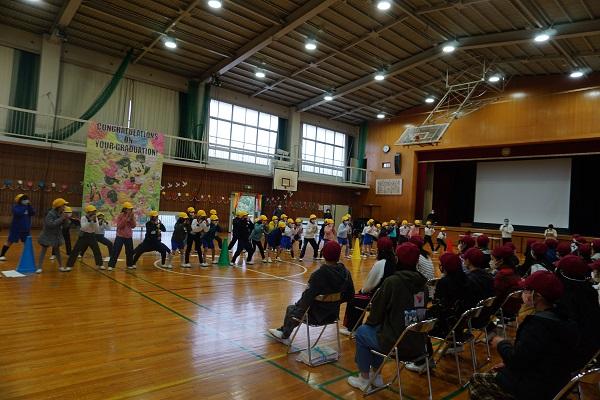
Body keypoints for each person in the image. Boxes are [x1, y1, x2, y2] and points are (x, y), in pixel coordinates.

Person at [469, 271, 579, 400]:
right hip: (555, 383)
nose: (523, 293)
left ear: (537, 296)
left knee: (477, 380)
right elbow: (538, 355)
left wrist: (501, 343)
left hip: (533, 387)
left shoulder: (538, 325)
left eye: (526, 290)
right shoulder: (566, 319)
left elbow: (517, 360)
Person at [347, 243, 428, 391]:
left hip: (397, 343)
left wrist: (372, 323)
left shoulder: (392, 282)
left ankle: (364, 379)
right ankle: (376, 376)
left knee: (363, 332)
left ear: (397, 259)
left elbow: (376, 314)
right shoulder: (423, 284)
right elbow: (418, 312)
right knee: (381, 330)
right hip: (417, 342)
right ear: (417, 261)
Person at [268, 241, 354, 342]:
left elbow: (306, 299)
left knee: (292, 309)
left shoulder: (318, 275)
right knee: (297, 309)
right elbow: (350, 295)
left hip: (316, 316)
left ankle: (284, 334)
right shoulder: (346, 273)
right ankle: (284, 332)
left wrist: (297, 311)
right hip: (333, 315)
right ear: (338, 255)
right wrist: (335, 301)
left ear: (324, 254)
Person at [340, 237, 396, 336]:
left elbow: (369, 285)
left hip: (377, 298)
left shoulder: (380, 264)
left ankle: (352, 329)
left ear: (379, 249)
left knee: (353, 299)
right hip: (390, 297)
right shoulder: (395, 261)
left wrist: (362, 291)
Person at [555, 255, 600, 372]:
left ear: (562, 272)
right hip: (590, 351)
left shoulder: (563, 295)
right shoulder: (591, 291)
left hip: (568, 357)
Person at [65, 205, 104, 271]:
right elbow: (83, 228)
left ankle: (100, 264)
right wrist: (89, 220)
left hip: (92, 235)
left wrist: (94, 221)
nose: (94, 213)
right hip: (83, 236)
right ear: (88, 212)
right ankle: (69, 265)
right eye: (92, 211)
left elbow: (96, 229)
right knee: (75, 250)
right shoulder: (83, 218)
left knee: (96, 250)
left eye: (94, 211)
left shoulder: (95, 218)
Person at [36, 198, 70, 273]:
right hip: (47, 235)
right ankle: (39, 267)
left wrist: (66, 220)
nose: (64, 207)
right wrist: (62, 218)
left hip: (56, 235)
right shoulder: (50, 214)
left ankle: (61, 266)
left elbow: (65, 226)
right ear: (59, 206)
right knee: (43, 250)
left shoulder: (62, 213)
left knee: (57, 251)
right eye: (63, 205)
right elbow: (50, 224)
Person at [0, 194, 35, 261]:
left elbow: (33, 213)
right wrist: (25, 207)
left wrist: (29, 206)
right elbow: (18, 213)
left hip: (25, 229)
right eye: (23, 199)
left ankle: (27, 256)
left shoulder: (28, 207)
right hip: (16, 228)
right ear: (19, 201)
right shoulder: (15, 207)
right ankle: (2, 255)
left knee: (27, 243)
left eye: (26, 199)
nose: (26, 200)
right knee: (10, 241)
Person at [107, 202, 137, 271]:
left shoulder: (132, 216)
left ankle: (129, 264)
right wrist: (126, 218)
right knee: (116, 251)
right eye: (129, 209)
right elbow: (119, 226)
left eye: (131, 209)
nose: (130, 210)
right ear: (125, 209)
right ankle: (111, 265)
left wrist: (132, 219)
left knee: (129, 251)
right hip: (120, 236)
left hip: (128, 236)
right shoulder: (121, 215)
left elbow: (133, 226)